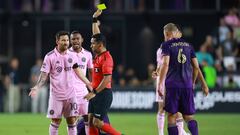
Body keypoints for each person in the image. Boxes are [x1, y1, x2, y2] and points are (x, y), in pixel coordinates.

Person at [29, 31, 92, 135]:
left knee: (72, 121)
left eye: (67, 40)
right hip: (56, 96)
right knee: (55, 121)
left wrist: (89, 83)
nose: (66, 42)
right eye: (63, 40)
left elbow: (78, 72)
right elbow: (44, 75)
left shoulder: (72, 55)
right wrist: (36, 87)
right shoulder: (50, 56)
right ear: (57, 41)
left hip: (71, 95)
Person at [157, 23, 209, 135]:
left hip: (172, 86)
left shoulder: (167, 45)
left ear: (167, 33)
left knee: (171, 116)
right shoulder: (189, 45)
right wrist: (193, 82)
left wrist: (160, 84)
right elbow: (196, 67)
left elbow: (165, 64)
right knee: (189, 117)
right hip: (187, 85)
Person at [84, 9, 122, 135]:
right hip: (96, 94)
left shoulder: (107, 58)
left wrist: (94, 92)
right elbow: (96, 35)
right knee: (89, 120)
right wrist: (94, 18)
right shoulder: (99, 54)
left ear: (100, 45)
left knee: (97, 123)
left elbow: (107, 80)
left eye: (92, 44)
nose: (91, 46)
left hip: (103, 94)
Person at [152, 30, 190, 135]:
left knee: (177, 111)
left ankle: (181, 133)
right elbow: (160, 65)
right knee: (162, 108)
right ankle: (161, 133)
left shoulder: (177, 48)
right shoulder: (161, 49)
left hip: (173, 81)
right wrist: (156, 72)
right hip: (164, 80)